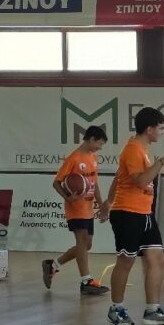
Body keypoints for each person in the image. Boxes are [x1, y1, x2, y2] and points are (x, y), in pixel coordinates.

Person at [106, 108, 164, 325]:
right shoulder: (132, 149)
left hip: (144, 213)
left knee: (157, 259)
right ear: (149, 129)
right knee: (126, 260)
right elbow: (140, 181)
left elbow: (119, 178)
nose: (162, 132)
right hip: (127, 213)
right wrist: (161, 162)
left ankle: (152, 310)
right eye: (160, 128)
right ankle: (116, 309)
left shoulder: (142, 150)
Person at [43, 125, 109, 295]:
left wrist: (102, 205)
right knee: (82, 241)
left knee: (87, 245)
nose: (100, 148)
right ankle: (86, 281)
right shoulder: (74, 158)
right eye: (99, 144)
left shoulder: (93, 157)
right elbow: (56, 183)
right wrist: (68, 197)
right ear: (91, 139)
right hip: (76, 208)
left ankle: (53, 265)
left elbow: (94, 184)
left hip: (88, 208)